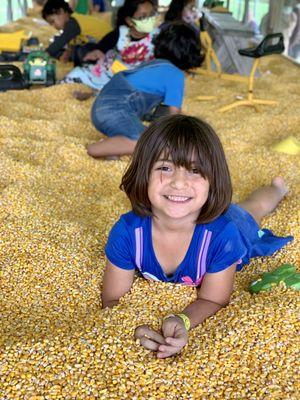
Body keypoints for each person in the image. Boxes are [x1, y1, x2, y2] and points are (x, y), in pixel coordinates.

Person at [101, 114, 293, 359]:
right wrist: (133, 327)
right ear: (143, 174)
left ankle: (277, 188)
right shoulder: (127, 233)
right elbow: (112, 298)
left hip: (230, 225)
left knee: (253, 209)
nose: (179, 183)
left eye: (195, 170)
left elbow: (213, 299)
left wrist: (183, 320)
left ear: (214, 180)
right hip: (206, 215)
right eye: (165, 168)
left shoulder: (224, 235)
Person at [87, 21, 203, 158]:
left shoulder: (154, 64)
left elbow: (163, 114)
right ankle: (89, 150)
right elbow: (174, 117)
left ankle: (113, 148)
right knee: (147, 143)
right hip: (113, 111)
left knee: (146, 136)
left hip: (101, 108)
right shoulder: (175, 75)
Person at [65, 0, 159, 93]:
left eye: (151, 14)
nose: (149, 19)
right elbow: (103, 46)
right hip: (111, 72)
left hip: (135, 80)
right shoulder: (121, 32)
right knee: (75, 74)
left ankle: (94, 93)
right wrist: (97, 51)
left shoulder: (158, 37)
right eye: (143, 17)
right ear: (129, 21)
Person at [42, 0, 111, 61]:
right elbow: (72, 43)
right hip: (97, 46)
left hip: (108, 47)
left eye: (53, 21)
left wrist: (45, 53)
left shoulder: (73, 22)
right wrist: (68, 52)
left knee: (79, 50)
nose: (53, 26)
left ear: (61, 11)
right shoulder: (70, 27)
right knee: (63, 47)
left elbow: (62, 39)